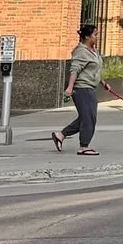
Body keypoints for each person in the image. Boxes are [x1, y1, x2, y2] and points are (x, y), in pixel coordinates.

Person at [52, 25, 103, 155]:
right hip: (82, 89)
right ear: (87, 36)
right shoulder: (81, 51)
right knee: (88, 118)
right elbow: (74, 70)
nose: (97, 37)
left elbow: (93, 70)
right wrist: (69, 88)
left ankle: (61, 135)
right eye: (95, 34)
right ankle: (83, 146)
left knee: (87, 117)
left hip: (90, 87)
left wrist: (103, 82)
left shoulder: (93, 51)